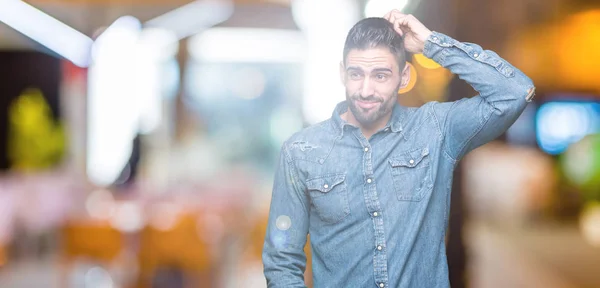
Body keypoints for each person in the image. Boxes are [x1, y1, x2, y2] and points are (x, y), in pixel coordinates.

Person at [262, 10, 535, 288]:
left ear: (404, 77)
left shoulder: (435, 130)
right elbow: (282, 261)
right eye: (356, 74)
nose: (365, 90)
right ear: (342, 74)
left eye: (380, 75)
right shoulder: (300, 152)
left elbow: (514, 93)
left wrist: (430, 44)